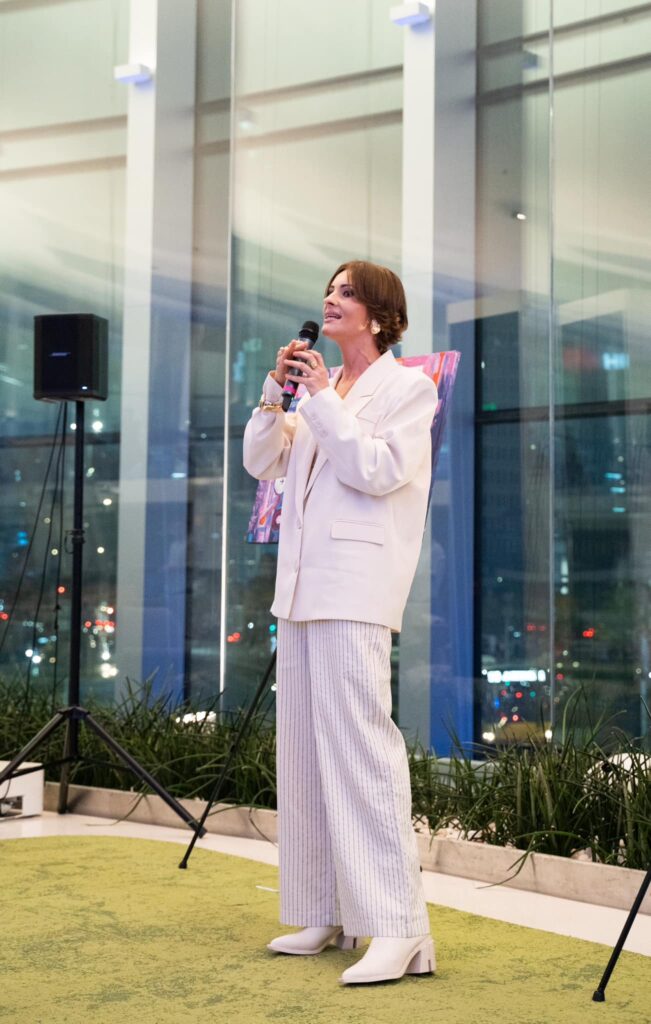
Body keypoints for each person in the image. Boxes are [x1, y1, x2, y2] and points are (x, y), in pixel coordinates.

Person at [243, 260, 438, 985]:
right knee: (304, 755)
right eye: (329, 289)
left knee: (362, 755)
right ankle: (323, 909)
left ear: (380, 315)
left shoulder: (407, 389)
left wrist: (321, 398)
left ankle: (398, 928)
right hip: (299, 591)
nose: (331, 299)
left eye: (347, 292)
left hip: (355, 590)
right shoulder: (320, 395)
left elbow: (378, 471)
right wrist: (276, 394)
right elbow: (261, 463)